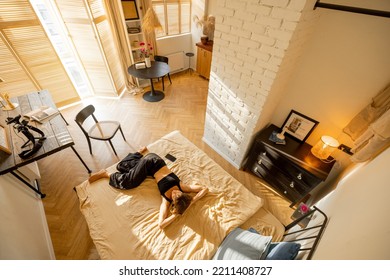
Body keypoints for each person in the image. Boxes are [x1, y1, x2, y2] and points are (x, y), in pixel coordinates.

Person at [88, 147, 209, 229]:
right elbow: (204, 189)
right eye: (179, 193)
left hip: (149, 167)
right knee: (129, 182)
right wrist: (193, 201)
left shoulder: (165, 201)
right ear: (183, 193)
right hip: (153, 161)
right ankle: (105, 174)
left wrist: (177, 214)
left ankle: (139, 153)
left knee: (121, 166)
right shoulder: (182, 187)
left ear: (174, 204)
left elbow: (161, 224)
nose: (176, 192)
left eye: (175, 196)